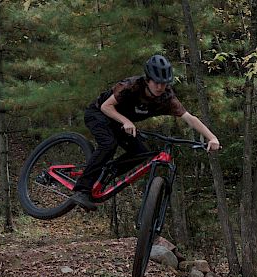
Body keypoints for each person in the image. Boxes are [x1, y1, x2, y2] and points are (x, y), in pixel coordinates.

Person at [71, 54, 220, 211]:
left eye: (164, 83)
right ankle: (82, 190)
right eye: (156, 82)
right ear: (148, 79)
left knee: (140, 152)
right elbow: (105, 107)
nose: (160, 87)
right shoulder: (131, 86)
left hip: (119, 122)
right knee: (108, 144)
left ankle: (103, 175)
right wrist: (126, 121)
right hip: (98, 114)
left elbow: (190, 118)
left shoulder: (167, 97)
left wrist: (212, 138)